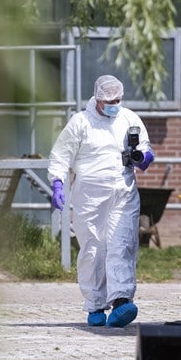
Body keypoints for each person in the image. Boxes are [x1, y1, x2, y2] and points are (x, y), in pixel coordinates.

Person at [47, 75, 155, 327]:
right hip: (89, 198)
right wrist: (58, 184)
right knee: (93, 249)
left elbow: (145, 148)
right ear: (97, 99)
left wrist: (144, 158)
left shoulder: (129, 119)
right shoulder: (80, 123)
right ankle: (95, 305)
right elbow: (61, 155)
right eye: (108, 101)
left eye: (117, 100)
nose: (113, 104)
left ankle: (121, 302)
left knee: (122, 244)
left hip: (123, 192)